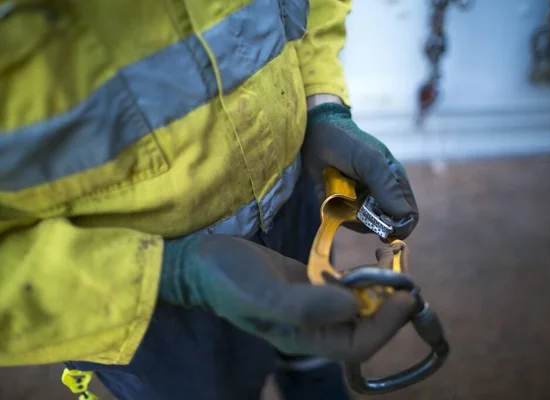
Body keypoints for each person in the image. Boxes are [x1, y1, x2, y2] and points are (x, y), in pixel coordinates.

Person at [0, 0, 420, 399]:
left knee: (319, 340)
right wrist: (176, 275)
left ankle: (311, 377)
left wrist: (321, 104)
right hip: (137, 293)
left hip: (290, 198)